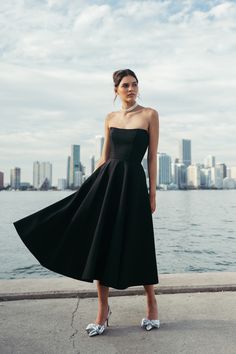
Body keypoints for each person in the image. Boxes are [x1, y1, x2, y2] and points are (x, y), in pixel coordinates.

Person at [13, 68, 160, 337]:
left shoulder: (150, 114)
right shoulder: (110, 118)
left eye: (135, 84)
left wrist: (152, 193)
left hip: (133, 185)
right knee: (100, 242)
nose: (131, 89)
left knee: (139, 241)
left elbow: (151, 158)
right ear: (116, 90)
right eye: (125, 85)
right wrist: (89, 190)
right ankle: (103, 312)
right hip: (106, 184)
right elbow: (105, 157)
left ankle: (152, 304)